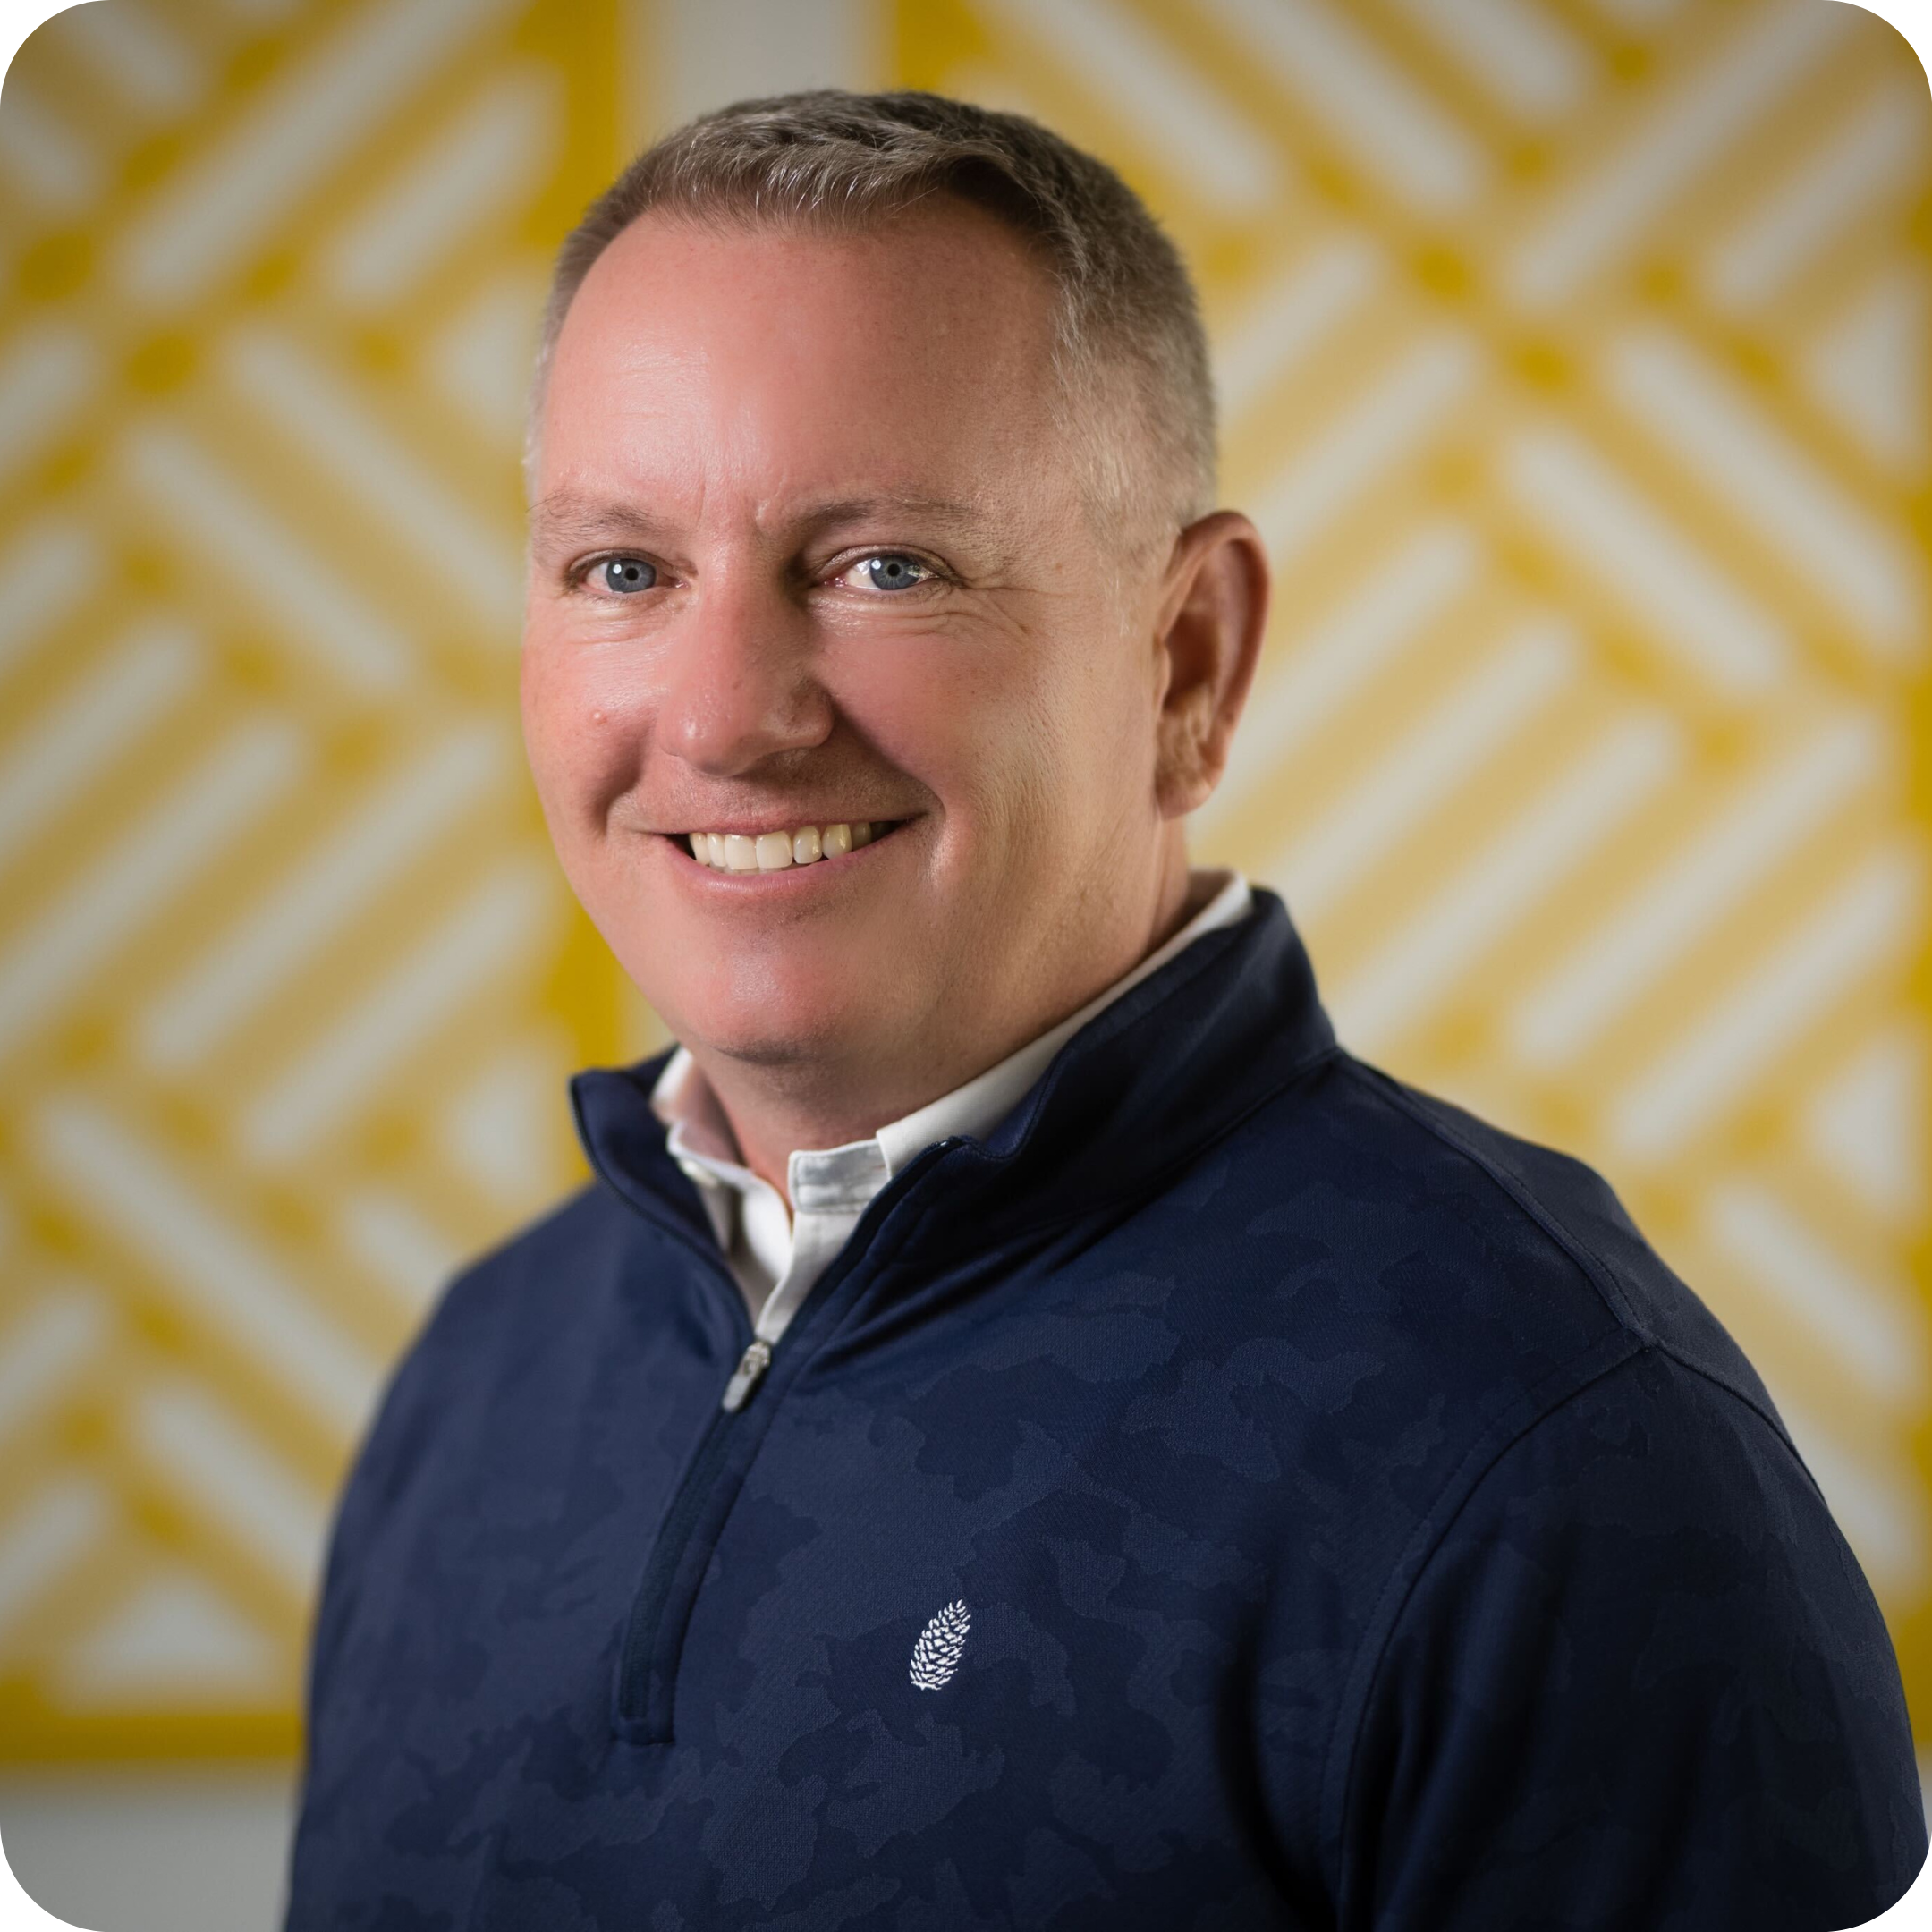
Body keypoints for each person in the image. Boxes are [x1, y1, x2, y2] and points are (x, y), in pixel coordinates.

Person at [285, 90, 1923, 1929]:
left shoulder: (1553, 1454)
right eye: (625, 572)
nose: (729, 712)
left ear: (1189, 664)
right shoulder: (478, 1379)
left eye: (885, 566)